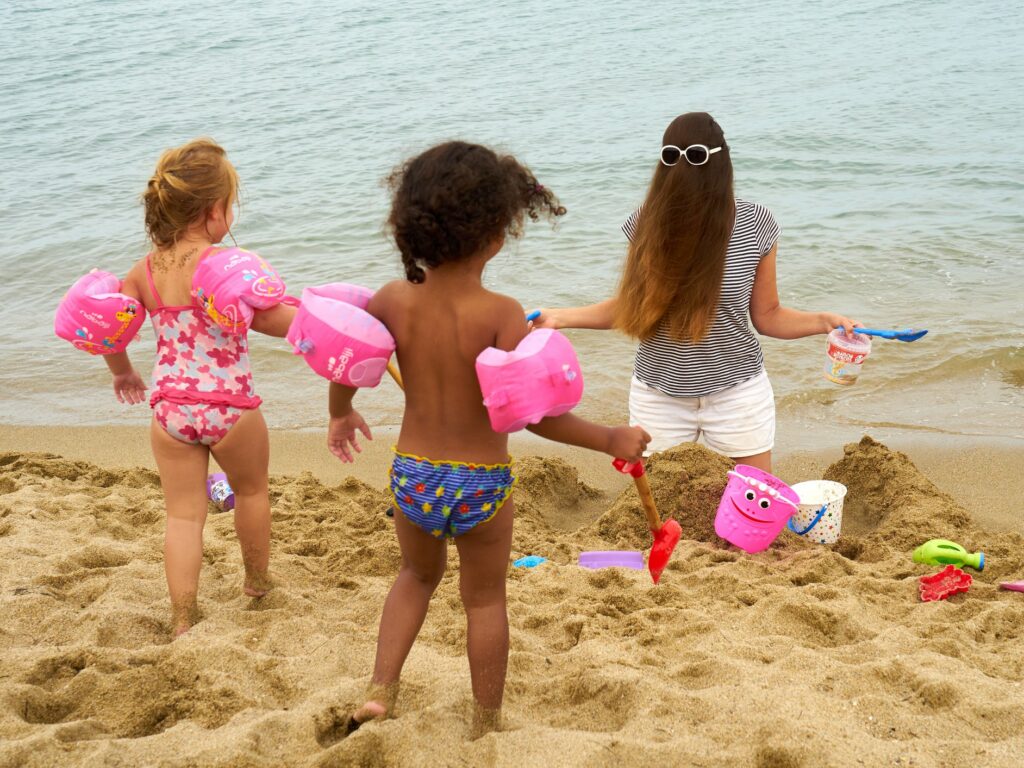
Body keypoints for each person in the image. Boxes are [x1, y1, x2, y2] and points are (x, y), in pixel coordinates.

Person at [326, 141, 650, 737]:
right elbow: (531, 415)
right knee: (484, 599)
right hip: (481, 484)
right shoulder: (500, 313)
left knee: (414, 577)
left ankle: (380, 691)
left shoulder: (392, 300)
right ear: (497, 235)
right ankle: (485, 721)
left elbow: (350, 360)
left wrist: (340, 414)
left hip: (414, 475)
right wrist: (608, 437)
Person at [534, 112, 858, 473]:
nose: (683, 170)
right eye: (673, 157)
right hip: (658, 392)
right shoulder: (645, 222)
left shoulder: (755, 224)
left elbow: (767, 316)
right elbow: (633, 307)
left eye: (694, 157)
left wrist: (823, 321)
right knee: (660, 500)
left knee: (751, 497)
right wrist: (557, 317)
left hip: (737, 391)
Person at [98, 139, 295, 636]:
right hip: (231, 407)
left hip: (171, 411)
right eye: (231, 204)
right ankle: (256, 582)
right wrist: (317, 324)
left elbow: (109, 329)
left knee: (183, 517)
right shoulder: (220, 266)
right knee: (251, 493)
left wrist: (122, 372)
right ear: (213, 211)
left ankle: (183, 616)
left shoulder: (143, 271)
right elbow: (268, 319)